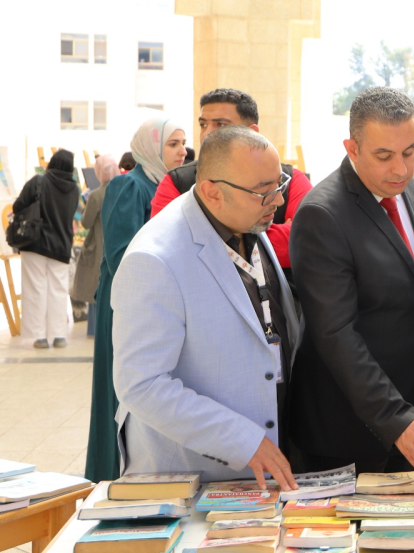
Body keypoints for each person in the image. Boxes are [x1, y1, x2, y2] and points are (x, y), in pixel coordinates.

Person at [112, 126, 301, 488]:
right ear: (212, 192)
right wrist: (243, 441)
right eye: (264, 191)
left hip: (259, 474)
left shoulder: (246, 220)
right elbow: (142, 385)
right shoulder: (155, 259)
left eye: (280, 184)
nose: (278, 201)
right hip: (190, 474)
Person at [288, 87, 414, 475]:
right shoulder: (322, 214)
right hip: (349, 432)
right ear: (352, 149)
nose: (401, 169)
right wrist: (395, 418)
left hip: (412, 417)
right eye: (384, 156)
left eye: (409, 152)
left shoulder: (408, 190)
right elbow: (336, 334)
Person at [85, 116, 187, 482]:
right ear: (151, 147)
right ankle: (111, 474)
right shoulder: (130, 185)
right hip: (127, 303)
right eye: (172, 144)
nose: (182, 151)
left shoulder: (169, 186)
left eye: (183, 143)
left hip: (154, 303)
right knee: (121, 394)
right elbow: (120, 254)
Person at [149, 88, 312, 275]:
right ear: (211, 192)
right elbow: (173, 248)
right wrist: (277, 233)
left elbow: (309, 242)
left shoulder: (292, 178)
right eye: (203, 125)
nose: (207, 134)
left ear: (252, 132)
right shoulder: (176, 181)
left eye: (221, 125)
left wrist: (216, 236)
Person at [12, 149, 80, 349]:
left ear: (52, 162)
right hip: (62, 245)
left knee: (36, 289)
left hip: (36, 243)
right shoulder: (75, 189)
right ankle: (59, 335)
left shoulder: (39, 182)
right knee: (58, 290)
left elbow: (17, 206)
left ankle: (39, 337)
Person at [71, 154, 119, 337]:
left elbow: (86, 222)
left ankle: (94, 330)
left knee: (94, 290)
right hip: (118, 246)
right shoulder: (123, 191)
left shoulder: (96, 195)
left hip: (98, 247)